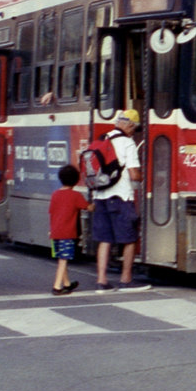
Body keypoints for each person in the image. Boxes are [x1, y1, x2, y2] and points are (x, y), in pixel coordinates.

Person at [91, 109, 143, 292]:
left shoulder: (102, 138)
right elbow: (134, 174)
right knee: (129, 238)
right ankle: (126, 279)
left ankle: (101, 281)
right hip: (121, 196)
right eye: (134, 129)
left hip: (100, 196)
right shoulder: (128, 143)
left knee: (105, 239)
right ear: (129, 125)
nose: (133, 132)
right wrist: (143, 175)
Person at [48, 164, 90, 295]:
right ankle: (57, 286)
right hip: (67, 233)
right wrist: (94, 205)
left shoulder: (55, 194)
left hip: (55, 233)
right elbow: (87, 207)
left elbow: (51, 212)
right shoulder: (75, 195)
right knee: (63, 260)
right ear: (76, 181)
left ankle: (66, 283)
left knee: (61, 258)